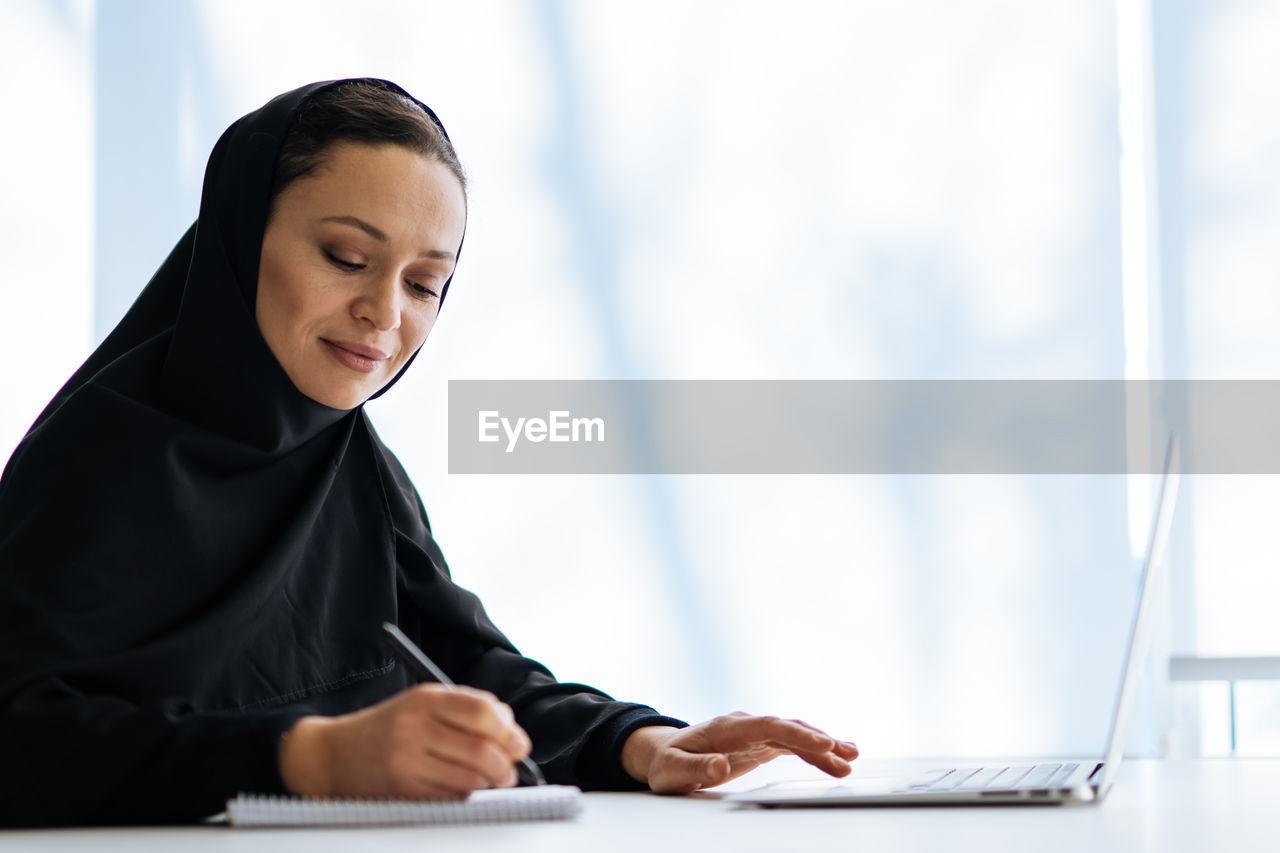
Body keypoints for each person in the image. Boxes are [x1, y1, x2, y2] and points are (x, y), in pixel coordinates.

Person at [0, 78, 857, 827]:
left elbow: (466, 669)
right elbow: (25, 741)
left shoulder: (350, 459)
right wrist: (310, 758)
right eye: (347, 257)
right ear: (238, 236)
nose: (384, 313)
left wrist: (641, 741)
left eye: (422, 283)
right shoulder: (96, 462)